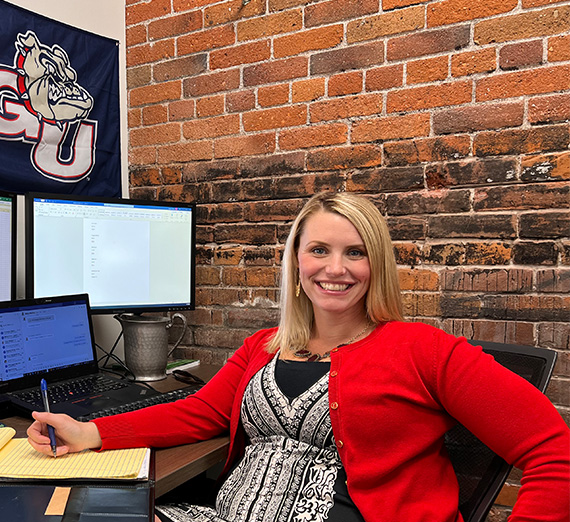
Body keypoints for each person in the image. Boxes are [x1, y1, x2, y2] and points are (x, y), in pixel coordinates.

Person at [28, 191, 570, 522]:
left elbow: (554, 450)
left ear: (376, 264)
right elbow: (201, 413)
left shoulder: (424, 351)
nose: (335, 268)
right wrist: (91, 432)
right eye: (319, 250)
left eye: (354, 252)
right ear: (295, 261)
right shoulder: (263, 346)